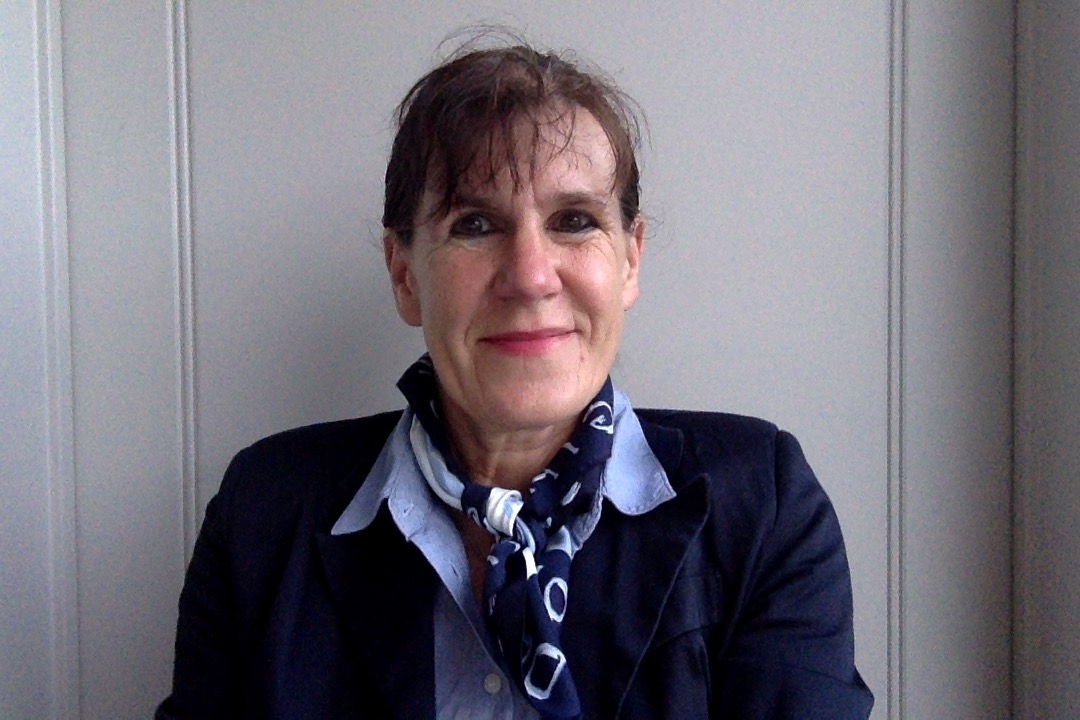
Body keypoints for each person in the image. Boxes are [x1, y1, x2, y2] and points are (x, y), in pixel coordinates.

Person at [157, 40, 873, 720]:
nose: (531, 276)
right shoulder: (262, 515)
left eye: (574, 220)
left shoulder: (763, 508)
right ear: (404, 274)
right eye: (475, 224)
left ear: (629, 261)